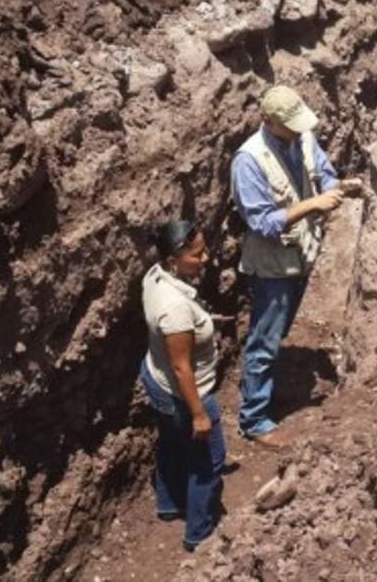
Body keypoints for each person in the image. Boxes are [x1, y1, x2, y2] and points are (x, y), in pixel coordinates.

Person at [230, 85, 360, 449]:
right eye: (291, 125)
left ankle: (264, 384)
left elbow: (323, 169)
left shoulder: (302, 137)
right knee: (265, 339)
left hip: (300, 253)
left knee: (279, 329)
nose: (300, 130)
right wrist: (313, 204)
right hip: (272, 264)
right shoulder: (249, 161)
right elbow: (263, 223)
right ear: (270, 122)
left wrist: (337, 187)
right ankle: (254, 420)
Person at [140, 220, 226, 552]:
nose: (206, 259)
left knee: (172, 444)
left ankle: (168, 504)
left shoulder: (154, 276)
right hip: (184, 392)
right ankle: (199, 535)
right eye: (197, 254)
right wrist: (199, 414)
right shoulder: (175, 308)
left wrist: (202, 321)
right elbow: (181, 366)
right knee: (209, 461)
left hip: (155, 377)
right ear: (174, 258)